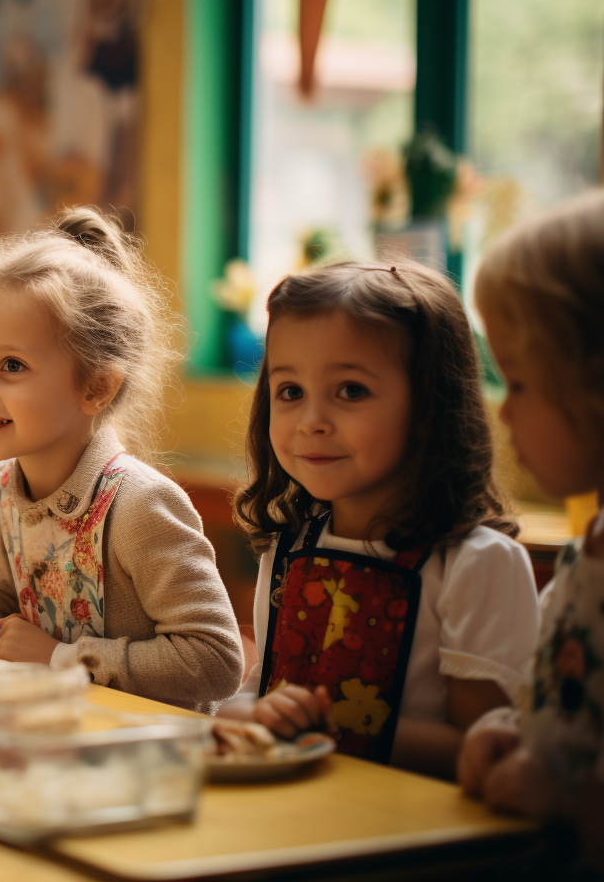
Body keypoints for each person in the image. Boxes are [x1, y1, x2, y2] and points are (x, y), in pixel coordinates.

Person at [0, 207, 243, 711]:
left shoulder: (139, 508)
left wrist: (62, 658)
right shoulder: (3, 487)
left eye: (11, 366)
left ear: (98, 386)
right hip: (48, 742)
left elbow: (216, 661)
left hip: (140, 756)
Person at [216, 260, 539, 779]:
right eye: (290, 391)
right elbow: (257, 690)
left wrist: (327, 729)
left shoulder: (476, 565)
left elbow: (484, 753)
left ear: (429, 408)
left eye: (351, 391)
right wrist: (247, 715)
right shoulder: (289, 548)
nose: (312, 422)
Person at [458, 191, 604, 871]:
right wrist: (507, 732)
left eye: (518, 383)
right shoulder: (590, 550)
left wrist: (567, 801)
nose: (504, 412)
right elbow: (561, 706)